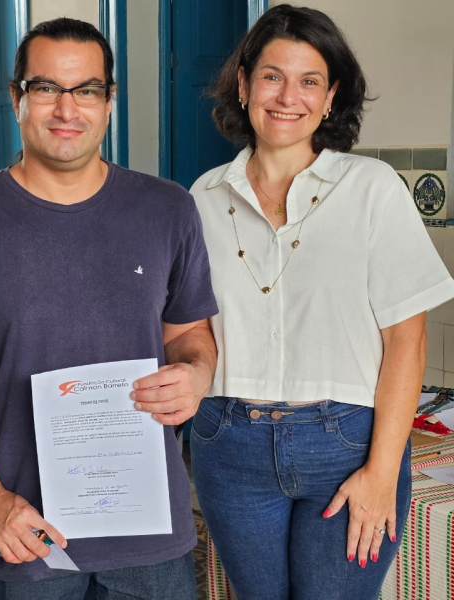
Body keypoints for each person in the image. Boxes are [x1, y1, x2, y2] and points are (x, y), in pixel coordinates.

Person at [0, 17, 218, 600]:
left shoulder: (168, 210)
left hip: (149, 532)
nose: (66, 108)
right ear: (17, 97)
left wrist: (197, 373)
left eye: (86, 90)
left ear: (109, 101)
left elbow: (189, 333)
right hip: (26, 534)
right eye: (46, 87)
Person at [189, 5, 454, 599]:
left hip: (346, 443)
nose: (289, 97)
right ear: (243, 85)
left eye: (309, 80)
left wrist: (382, 471)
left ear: (331, 96)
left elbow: (407, 341)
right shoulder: (202, 197)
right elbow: (191, 328)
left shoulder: (372, 189)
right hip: (228, 441)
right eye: (272, 76)